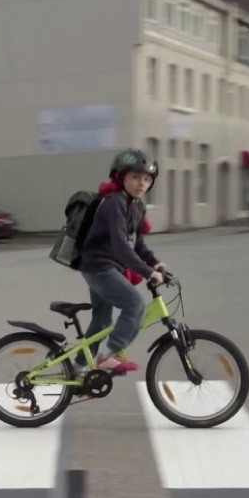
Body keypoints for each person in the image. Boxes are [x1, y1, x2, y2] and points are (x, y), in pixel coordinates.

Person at [74, 148, 166, 374]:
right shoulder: (114, 203)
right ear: (120, 176)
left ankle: (76, 369)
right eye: (135, 177)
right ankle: (108, 355)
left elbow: (137, 245)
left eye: (147, 179)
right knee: (135, 304)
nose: (141, 183)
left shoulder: (136, 206)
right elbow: (120, 246)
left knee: (102, 323)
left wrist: (154, 263)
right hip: (98, 266)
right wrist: (147, 272)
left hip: (106, 266)